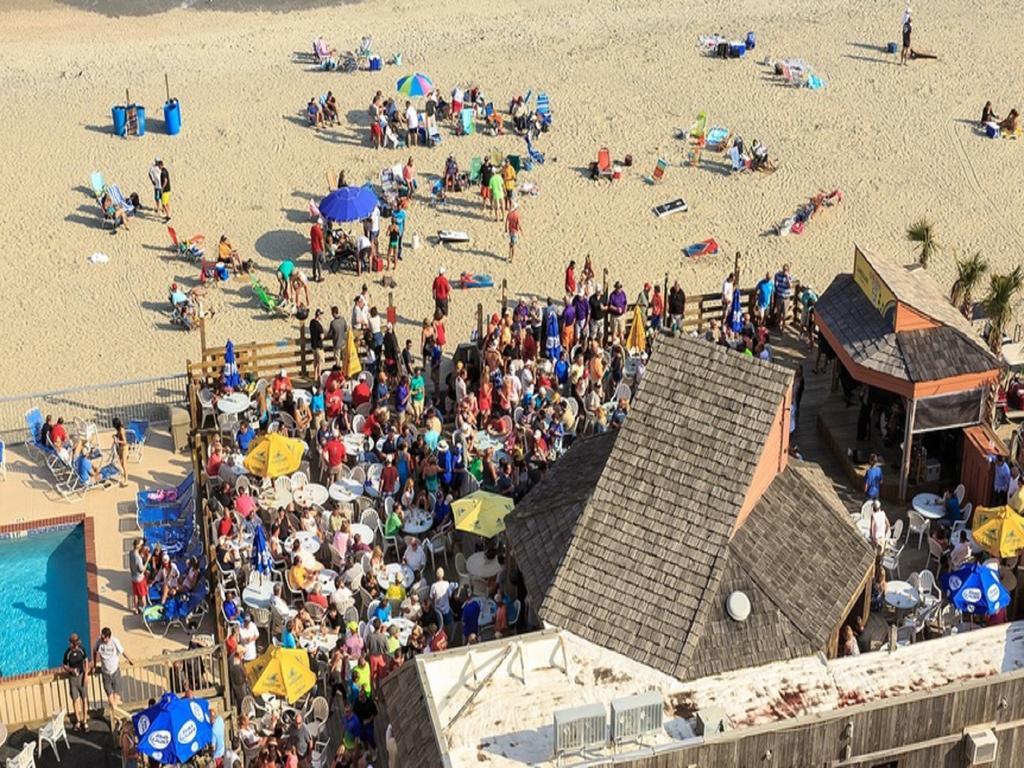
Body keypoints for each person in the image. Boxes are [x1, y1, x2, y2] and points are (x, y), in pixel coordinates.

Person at [93, 626, 133, 707]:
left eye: (104, 638)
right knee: (111, 700)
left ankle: (115, 717)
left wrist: (129, 659)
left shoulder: (114, 641)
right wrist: (94, 665)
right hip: (105, 673)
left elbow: (122, 651)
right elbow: (94, 651)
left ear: (108, 637)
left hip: (115, 671)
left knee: (116, 699)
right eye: (102, 637)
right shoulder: (98, 641)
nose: (103, 640)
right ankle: (116, 717)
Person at [63, 634, 90, 731]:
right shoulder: (68, 652)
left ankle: (85, 720)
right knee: (75, 700)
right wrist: (71, 670)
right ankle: (78, 721)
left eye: (75, 644)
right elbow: (64, 665)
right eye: (73, 644)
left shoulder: (82, 649)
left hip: (82, 676)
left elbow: (86, 661)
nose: (74, 646)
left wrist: (86, 675)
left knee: (84, 698)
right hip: (72, 679)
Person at [129, 537, 148, 614]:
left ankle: (136, 609)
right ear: (139, 546)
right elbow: (142, 569)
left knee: (135, 594)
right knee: (143, 594)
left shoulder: (131, 553)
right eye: (142, 545)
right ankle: (144, 608)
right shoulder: (138, 558)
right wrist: (147, 560)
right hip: (139, 579)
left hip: (133, 577)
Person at [308, 308, 325, 381]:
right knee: (320, 361)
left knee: (315, 361)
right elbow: (322, 336)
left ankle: (315, 375)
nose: (321, 316)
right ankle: (319, 375)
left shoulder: (311, 322)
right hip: (318, 346)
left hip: (313, 345)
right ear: (318, 315)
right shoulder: (319, 326)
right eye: (321, 314)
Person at [310, 218, 325, 282]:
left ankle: (314, 275)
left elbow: (311, 235)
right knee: (319, 263)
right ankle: (319, 276)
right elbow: (321, 242)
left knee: (314, 262)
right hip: (318, 249)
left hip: (313, 248)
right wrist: (323, 250)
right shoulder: (319, 232)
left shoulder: (313, 228)